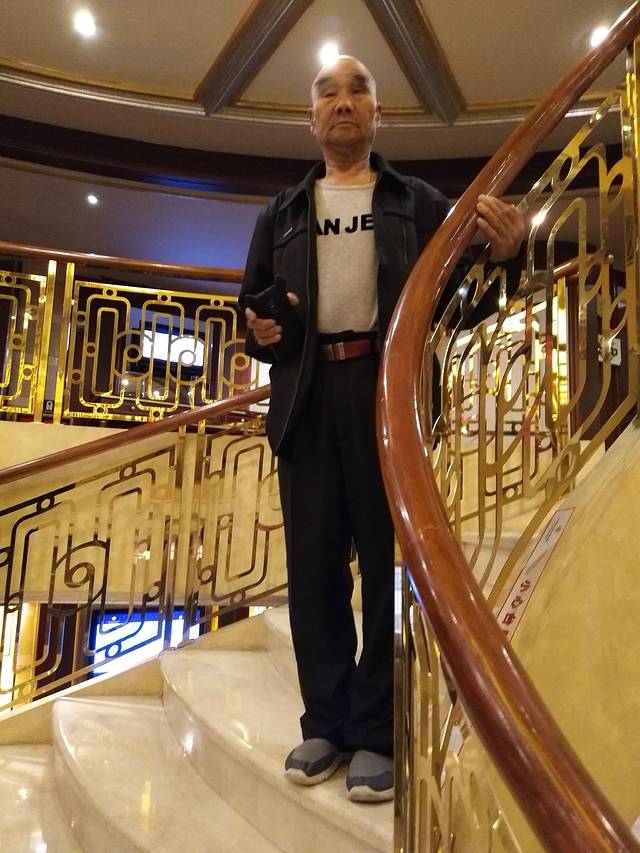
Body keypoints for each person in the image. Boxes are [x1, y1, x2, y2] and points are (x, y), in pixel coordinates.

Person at [240, 55, 525, 803]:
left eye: (357, 90)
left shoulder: (418, 202)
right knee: (314, 571)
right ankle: (326, 723)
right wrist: (262, 328)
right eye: (328, 93)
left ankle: (376, 731)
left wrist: (505, 255)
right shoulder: (282, 212)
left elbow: (463, 303)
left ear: (377, 114)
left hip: (387, 395)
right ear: (311, 118)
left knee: (386, 571)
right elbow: (253, 313)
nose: (343, 102)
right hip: (306, 398)